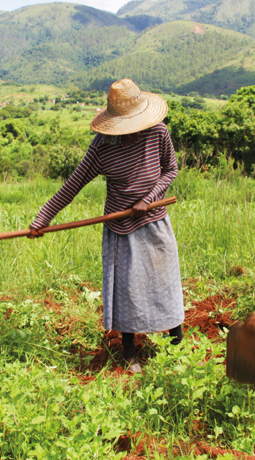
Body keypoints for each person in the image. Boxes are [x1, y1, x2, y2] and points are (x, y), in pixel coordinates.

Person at [29, 78, 183, 373]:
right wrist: (42, 218)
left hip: (155, 220)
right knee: (127, 288)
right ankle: (129, 352)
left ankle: (176, 346)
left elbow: (170, 170)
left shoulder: (158, 133)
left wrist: (148, 199)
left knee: (165, 282)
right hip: (120, 228)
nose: (133, 132)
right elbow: (72, 185)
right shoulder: (102, 147)